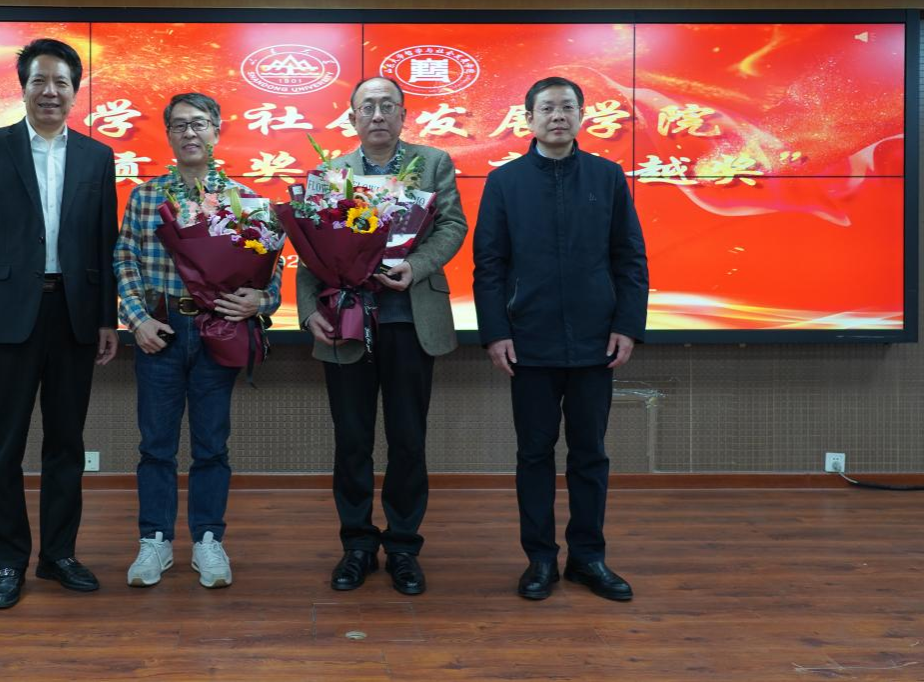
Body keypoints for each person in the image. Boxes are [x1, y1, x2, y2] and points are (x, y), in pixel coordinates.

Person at [0, 38, 119, 610]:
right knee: (3, 447)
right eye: (39, 81)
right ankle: (7, 562)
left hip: (74, 314)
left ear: (75, 92)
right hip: (6, 317)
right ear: (23, 88)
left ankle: (59, 555)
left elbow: (103, 242)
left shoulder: (98, 157)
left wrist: (107, 317)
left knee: (67, 443)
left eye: (61, 83)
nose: (51, 91)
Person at [473, 76, 648, 602]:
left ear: (581, 116)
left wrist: (627, 325)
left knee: (590, 453)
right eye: (547, 108)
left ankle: (588, 558)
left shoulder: (607, 176)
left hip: (596, 342)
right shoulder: (505, 182)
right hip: (528, 342)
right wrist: (495, 333)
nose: (557, 116)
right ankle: (541, 559)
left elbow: (629, 258)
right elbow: (489, 266)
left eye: (567, 107)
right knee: (534, 453)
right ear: (528, 118)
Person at [296, 76, 467, 596]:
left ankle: (404, 547)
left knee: (408, 439)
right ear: (351, 117)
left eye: (388, 105)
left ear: (403, 115)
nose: (377, 114)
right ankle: (357, 545)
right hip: (346, 321)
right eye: (367, 106)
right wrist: (307, 311)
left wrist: (417, 266)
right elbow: (310, 247)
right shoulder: (329, 174)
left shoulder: (433, 163)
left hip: (410, 320)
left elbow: (452, 226)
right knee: (351, 439)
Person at [114, 92, 283, 590]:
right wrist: (137, 320)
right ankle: (155, 540)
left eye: (200, 123)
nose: (190, 133)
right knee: (156, 446)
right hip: (160, 332)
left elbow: (270, 272)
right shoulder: (145, 197)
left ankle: (208, 539)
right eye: (180, 125)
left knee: (211, 445)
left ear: (217, 131)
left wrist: (260, 300)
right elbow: (124, 260)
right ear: (168, 134)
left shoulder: (244, 199)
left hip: (217, 332)